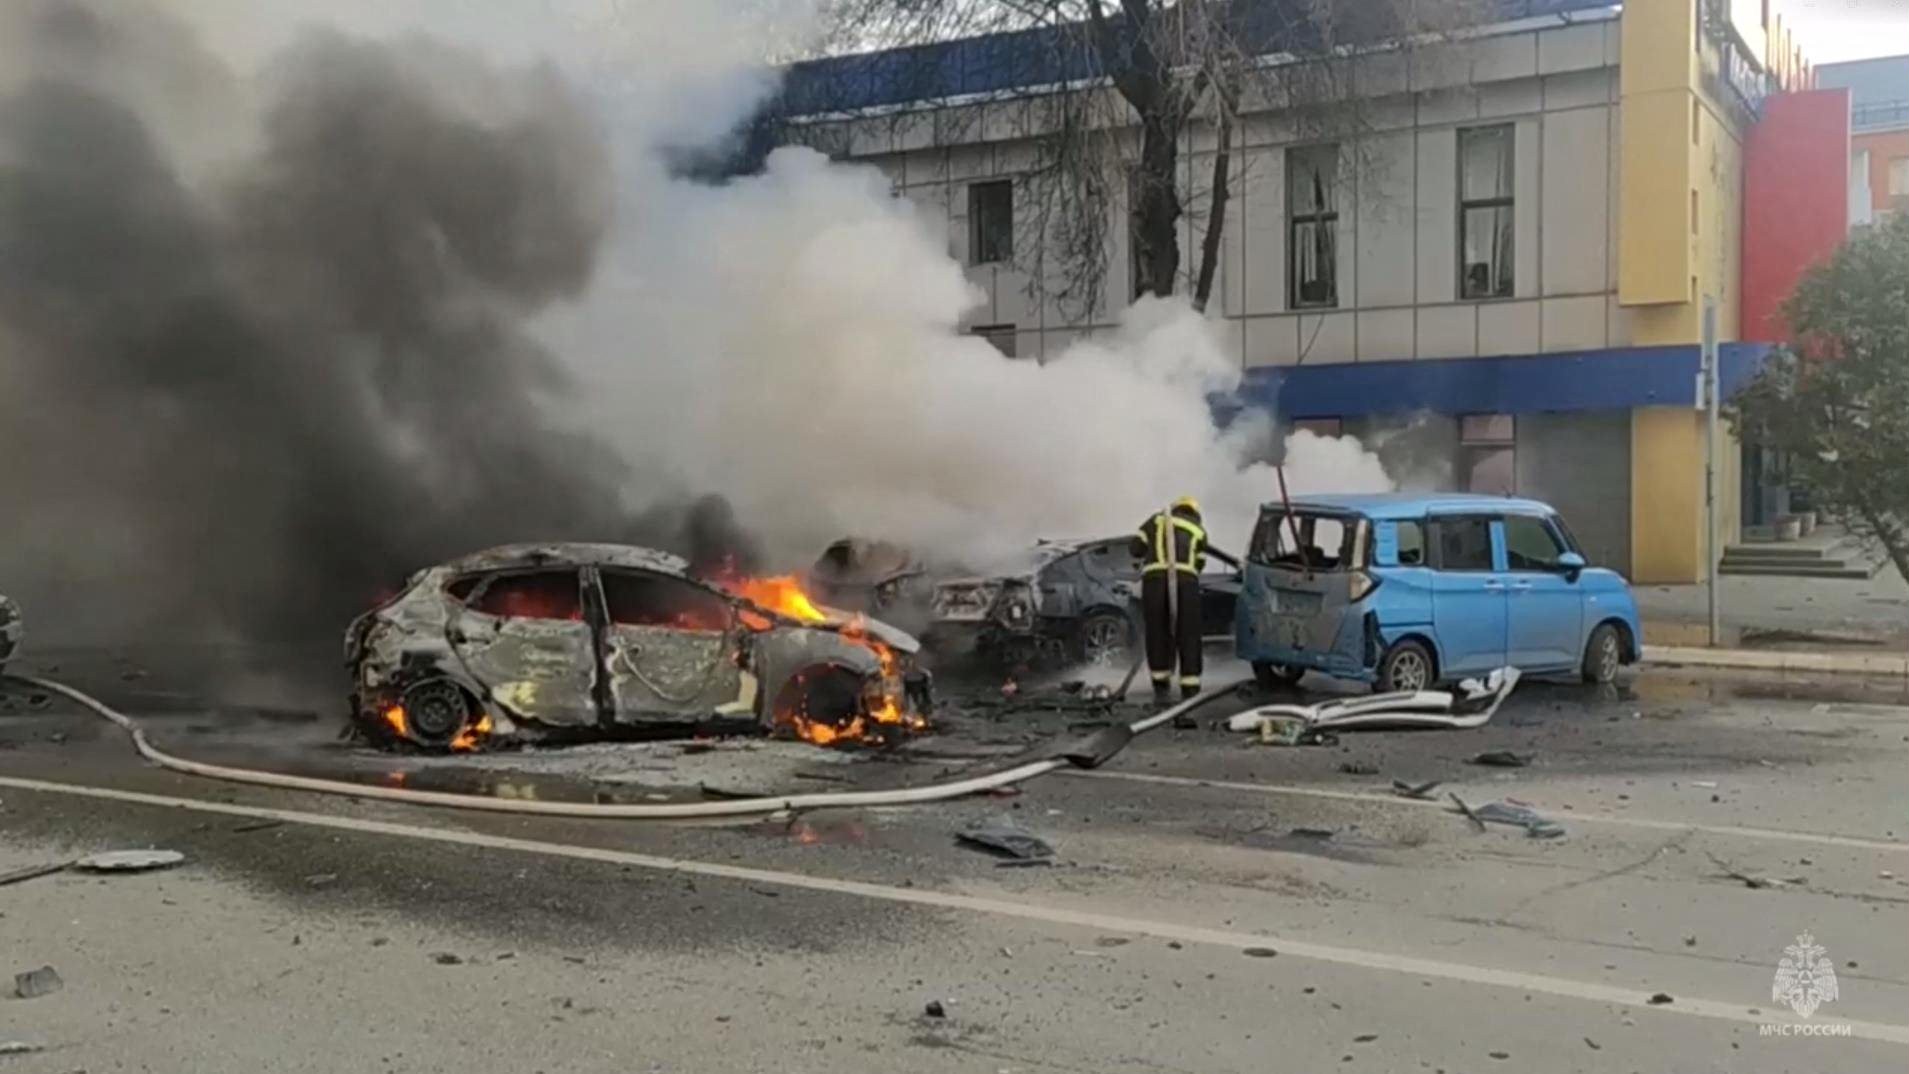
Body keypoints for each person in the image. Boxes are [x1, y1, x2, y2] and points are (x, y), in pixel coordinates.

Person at [1131, 497, 1207, 707]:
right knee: (1189, 632)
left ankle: (1160, 683)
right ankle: (1190, 685)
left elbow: (1135, 547)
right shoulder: (1198, 530)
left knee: (1157, 630)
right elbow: (1200, 563)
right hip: (1186, 583)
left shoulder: (1156, 520)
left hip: (1155, 582)